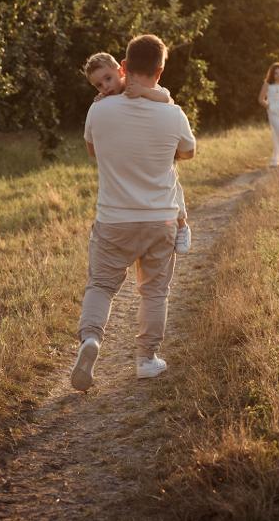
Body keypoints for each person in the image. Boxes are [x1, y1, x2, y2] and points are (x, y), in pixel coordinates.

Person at [72, 35, 196, 390]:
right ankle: (146, 359)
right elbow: (187, 153)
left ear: (123, 68)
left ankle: (91, 339)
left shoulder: (98, 110)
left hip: (114, 220)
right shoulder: (172, 113)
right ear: (160, 70)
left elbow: (93, 152)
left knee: (101, 285)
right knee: (155, 292)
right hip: (160, 219)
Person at [83, 52, 192, 254]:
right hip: (133, 157)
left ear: (121, 71)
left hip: (157, 153)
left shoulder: (136, 87)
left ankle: (183, 225)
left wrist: (144, 92)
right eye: (99, 85)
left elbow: (166, 98)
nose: (105, 87)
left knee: (172, 185)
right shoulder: (104, 102)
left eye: (108, 78)